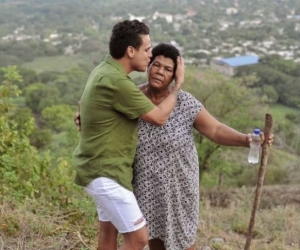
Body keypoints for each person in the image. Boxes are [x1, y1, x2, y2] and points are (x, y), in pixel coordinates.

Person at [74, 43, 274, 250]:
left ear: (175, 76)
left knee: (185, 243)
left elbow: (214, 129)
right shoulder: (132, 98)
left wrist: (247, 140)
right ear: (149, 67)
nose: (160, 71)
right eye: (156, 65)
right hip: (145, 186)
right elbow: (100, 108)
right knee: (155, 242)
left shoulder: (185, 102)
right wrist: (83, 117)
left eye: (168, 69)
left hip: (179, 186)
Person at [72, 20, 185, 250]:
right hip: (106, 172)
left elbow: (88, 103)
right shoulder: (117, 81)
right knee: (138, 238)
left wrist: (84, 114)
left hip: (100, 169)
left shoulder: (104, 70)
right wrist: (177, 85)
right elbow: (159, 117)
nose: (150, 55)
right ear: (130, 51)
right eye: (146, 49)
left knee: (108, 232)